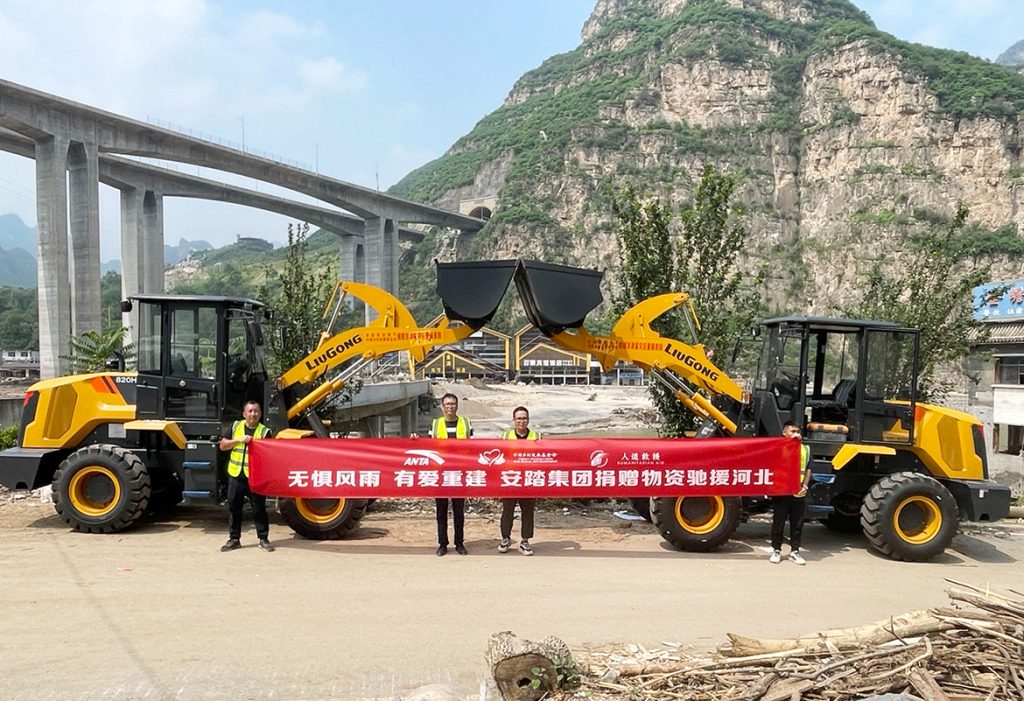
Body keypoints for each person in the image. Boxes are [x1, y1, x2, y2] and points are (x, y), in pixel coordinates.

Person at [219, 400, 275, 552]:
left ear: (260, 414)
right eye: (250, 411)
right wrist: (239, 439)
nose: (253, 414)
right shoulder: (235, 426)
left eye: (256, 411)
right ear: (244, 414)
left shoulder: (265, 431)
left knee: (259, 509)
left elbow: (270, 455)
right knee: (234, 508)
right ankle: (234, 539)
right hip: (236, 475)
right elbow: (223, 445)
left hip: (255, 478)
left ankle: (263, 539)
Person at [431, 393, 472, 556]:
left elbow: (473, 445)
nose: (450, 407)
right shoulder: (436, 424)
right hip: (441, 472)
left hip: (459, 471)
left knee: (458, 510)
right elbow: (428, 445)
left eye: (453, 404)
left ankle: (459, 543)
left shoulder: (466, 423)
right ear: (442, 406)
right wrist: (414, 439)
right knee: (441, 510)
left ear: (457, 406)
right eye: (447, 404)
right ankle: (442, 543)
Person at [499, 406, 540, 556]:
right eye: (519, 418)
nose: (521, 421)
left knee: (528, 511)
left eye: (524, 418)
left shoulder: (537, 436)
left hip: (529, 479)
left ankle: (525, 541)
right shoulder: (506, 436)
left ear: (528, 420)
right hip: (510, 478)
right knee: (507, 510)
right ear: (513, 420)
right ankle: (505, 538)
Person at [770, 420, 812, 565]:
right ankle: (776, 550)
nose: (796, 434)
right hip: (782, 492)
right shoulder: (778, 448)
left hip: (798, 492)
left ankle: (795, 551)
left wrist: (805, 486)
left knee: (797, 524)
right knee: (778, 522)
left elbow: (808, 469)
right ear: (784, 433)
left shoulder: (805, 449)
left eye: (798, 432)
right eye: (792, 431)